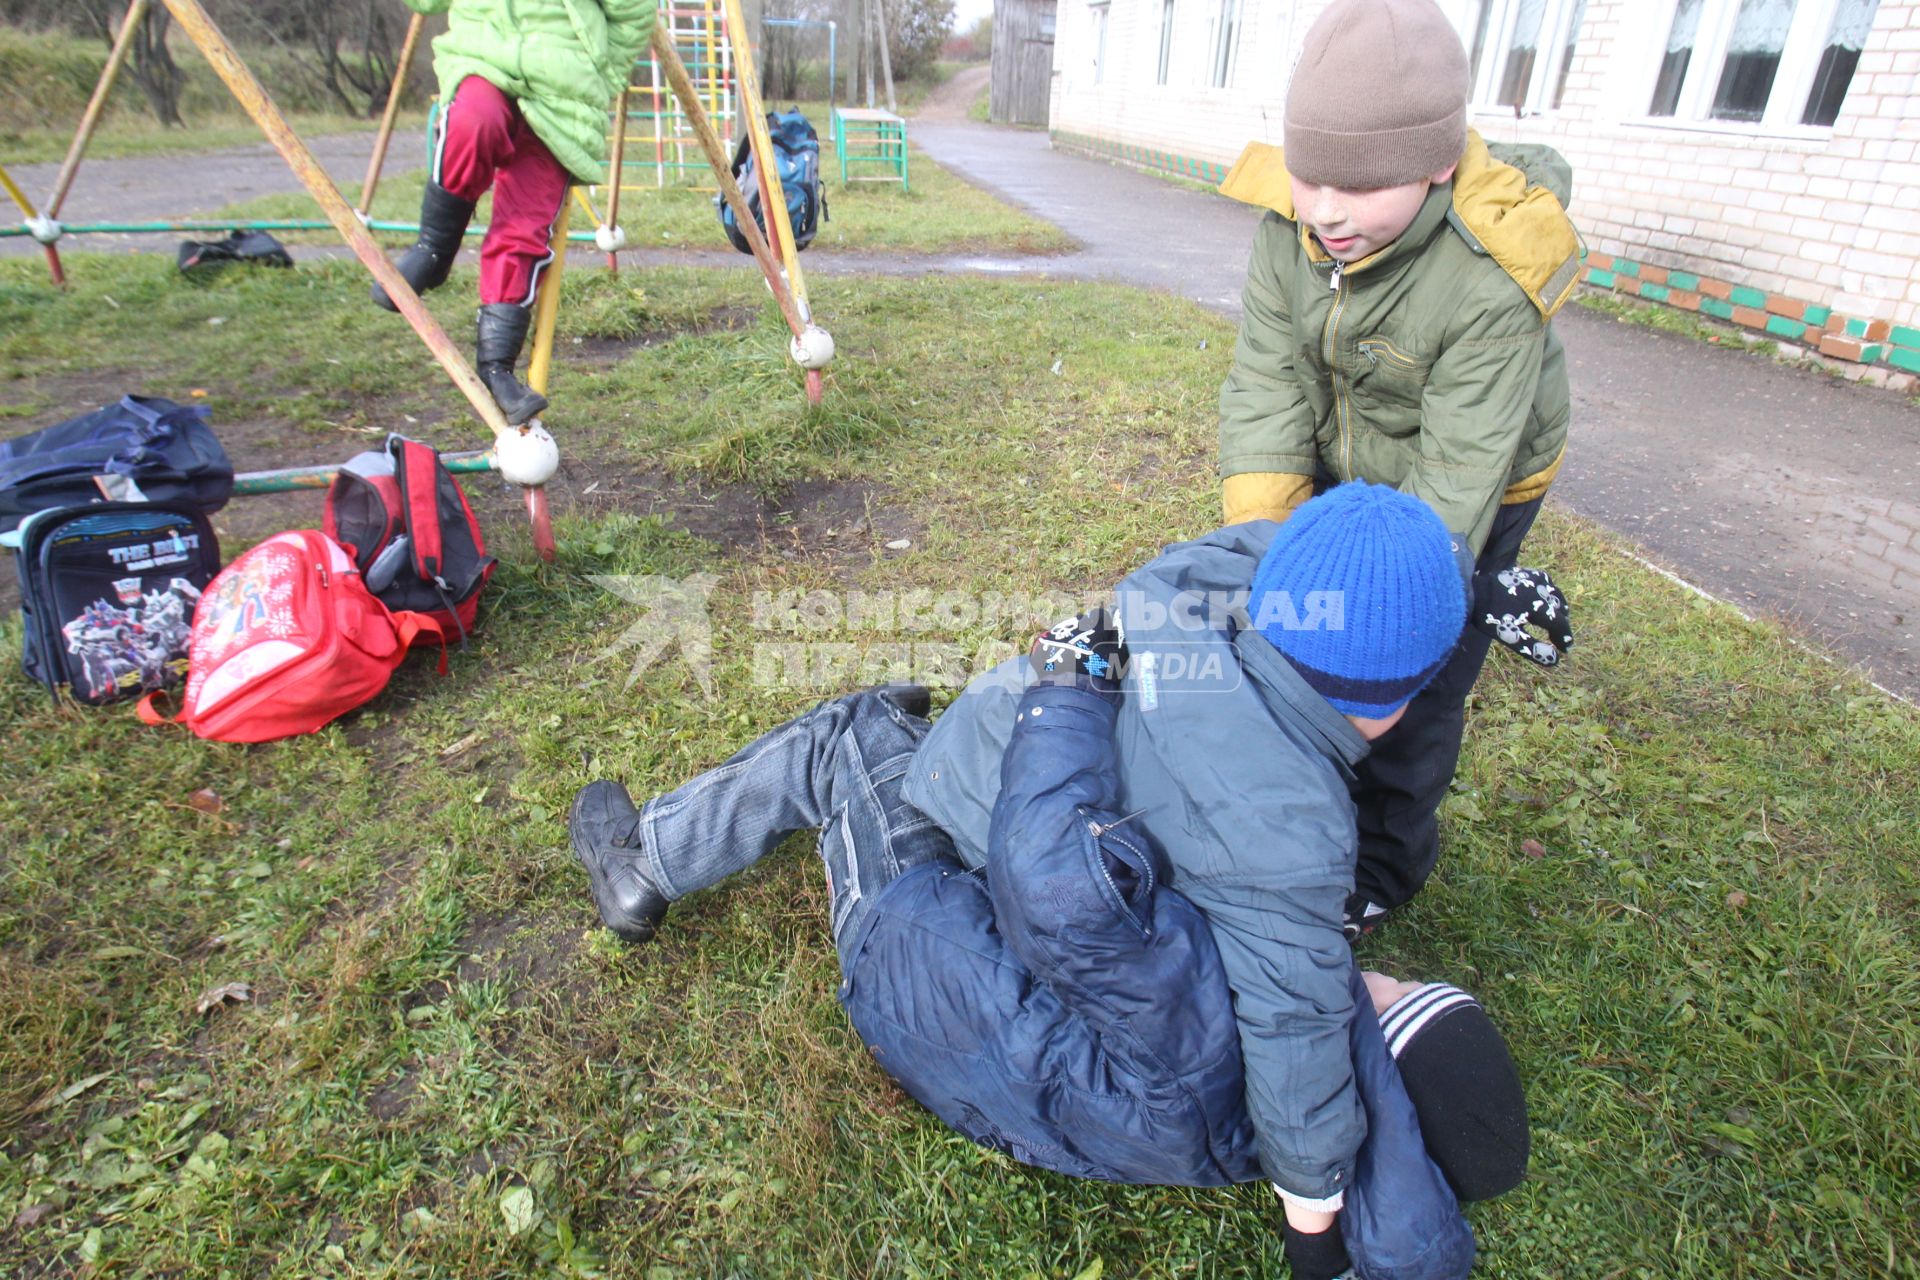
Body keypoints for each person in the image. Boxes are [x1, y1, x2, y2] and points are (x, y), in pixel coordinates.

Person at [571, 484, 1528, 1279]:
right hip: (1017, 838)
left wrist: (1466, 588)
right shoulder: (1289, 835)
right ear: (1399, 700)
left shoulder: (1172, 603)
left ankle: (643, 860)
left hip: (975, 836)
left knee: (849, 736)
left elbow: (1297, 1036)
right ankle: (890, 745)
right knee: (915, 746)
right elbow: (1296, 1032)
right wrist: (1314, 1233)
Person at [1213, 0, 1578, 938]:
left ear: (1438, 167)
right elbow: (1266, 391)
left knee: (1411, 682)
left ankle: (1381, 863)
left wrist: (1383, 612)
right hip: (1346, 451)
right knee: (1294, 638)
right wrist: (1272, 556)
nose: (1326, 211)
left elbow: (1458, 478)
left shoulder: (1493, 279)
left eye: (1363, 185)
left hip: (1477, 479)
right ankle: (1302, 812)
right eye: (1310, 176)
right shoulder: (1285, 228)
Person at [372, 0, 656, 424]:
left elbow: (633, 11)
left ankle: (497, 365)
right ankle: (432, 251)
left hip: (564, 89)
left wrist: (600, 74)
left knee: (526, 222)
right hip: (484, 58)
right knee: (473, 123)